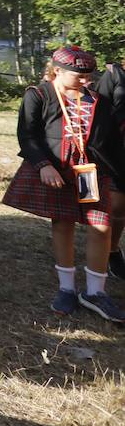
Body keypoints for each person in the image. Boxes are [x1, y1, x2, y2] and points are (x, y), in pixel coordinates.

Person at [1, 46, 125, 321]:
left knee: (101, 226)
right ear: (57, 70)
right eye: (79, 76)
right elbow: (28, 135)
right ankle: (66, 289)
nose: (86, 81)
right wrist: (43, 165)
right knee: (63, 223)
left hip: (90, 171)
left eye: (89, 76)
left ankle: (95, 293)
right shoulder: (39, 94)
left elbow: (111, 142)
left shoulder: (97, 100)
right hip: (57, 168)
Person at [94, 59, 125, 279]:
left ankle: (112, 249)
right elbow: (99, 111)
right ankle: (110, 252)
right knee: (115, 205)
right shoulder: (114, 75)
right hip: (114, 149)